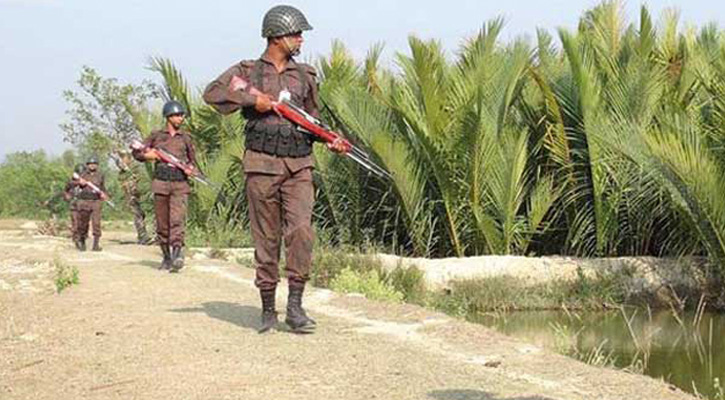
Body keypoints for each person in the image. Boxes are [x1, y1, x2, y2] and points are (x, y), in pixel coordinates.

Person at [203, 5, 346, 334]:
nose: (301, 39)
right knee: (266, 238)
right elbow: (212, 93)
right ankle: (268, 307)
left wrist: (332, 140)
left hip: (299, 166)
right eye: (296, 34)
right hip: (262, 165)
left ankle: (295, 307)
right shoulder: (248, 71)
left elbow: (312, 120)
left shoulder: (305, 75)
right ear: (277, 36)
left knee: (301, 231)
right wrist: (253, 102)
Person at [132, 100, 199, 273]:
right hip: (161, 183)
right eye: (177, 115)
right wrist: (150, 156)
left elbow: (193, 161)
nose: (181, 118)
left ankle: (177, 254)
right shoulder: (156, 136)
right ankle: (166, 257)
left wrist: (191, 169)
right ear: (168, 117)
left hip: (179, 184)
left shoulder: (185, 138)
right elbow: (138, 152)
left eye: (182, 115)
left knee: (177, 220)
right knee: (162, 223)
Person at [76, 157, 107, 251]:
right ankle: (82, 241)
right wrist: (80, 183)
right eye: (90, 164)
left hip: (96, 201)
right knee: (83, 223)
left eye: (94, 164)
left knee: (96, 223)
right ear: (87, 165)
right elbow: (74, 186)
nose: (92, 165)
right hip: (84, 201)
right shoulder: (82, 174)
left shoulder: (100, 175)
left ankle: (96, 245)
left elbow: (102, 187)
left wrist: (104, 194)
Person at [63, 164, 85, 250]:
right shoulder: (71, 182)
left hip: (85, 204)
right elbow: (66, 190)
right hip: (74, 204)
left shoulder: (87, 181)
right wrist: (67, 196)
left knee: (83, 223)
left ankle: (82, 239)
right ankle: (76, 239)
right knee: (75, 223)